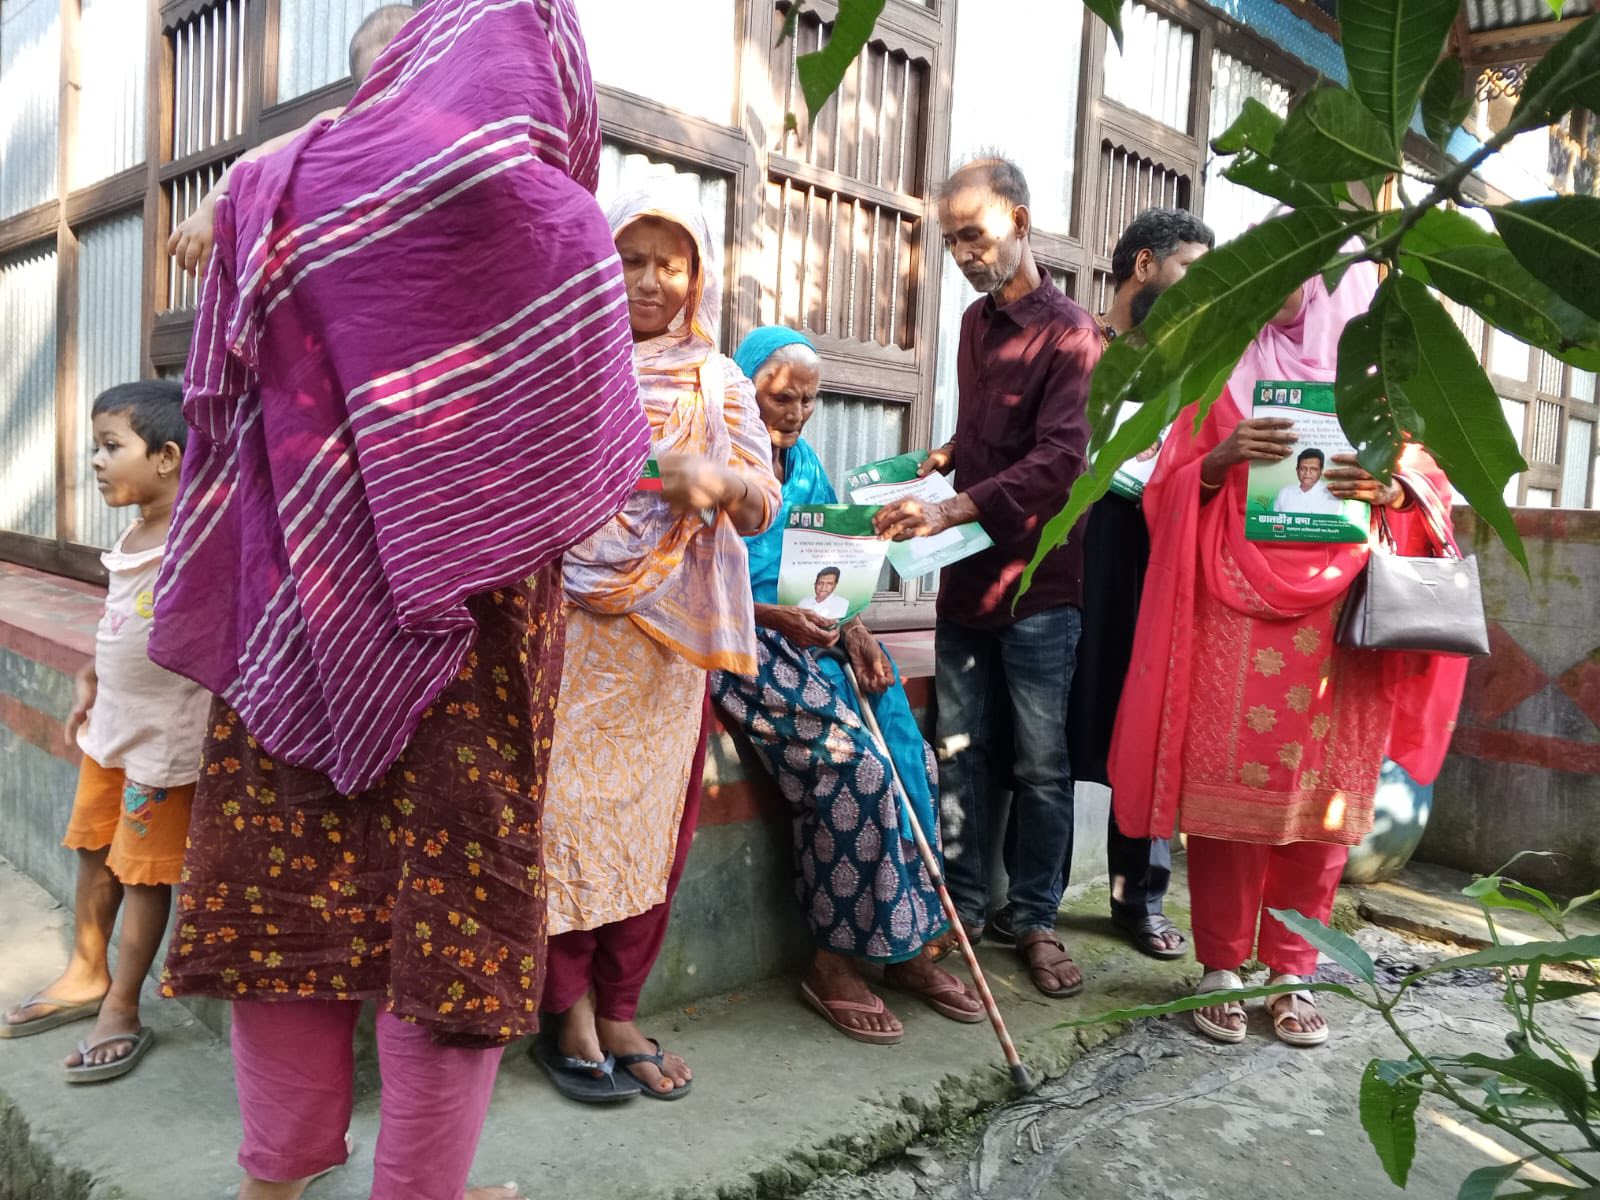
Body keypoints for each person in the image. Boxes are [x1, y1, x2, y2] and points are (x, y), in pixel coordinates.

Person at [150, 3, 650, 1197]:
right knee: (454, 907)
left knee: (285, 888)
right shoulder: (560, 224)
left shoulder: (273, 187)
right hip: (473, 632)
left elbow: (224, 392)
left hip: (293, 612)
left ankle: (275, 1177)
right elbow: (584, 465)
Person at [1108, 263, 1467, 1048]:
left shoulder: (1373, 380)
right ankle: (1221, 967)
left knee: (1323, 805)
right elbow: (1165, 488)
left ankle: (1293, 969)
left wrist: (1392, 489)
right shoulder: (1219, 371)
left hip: (1343, 622)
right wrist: (1221, 458)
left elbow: (1429, 481)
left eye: (1296, 270)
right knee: (1231, 799)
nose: (1270, 287)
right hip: (1233, 610)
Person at [535, 189, 781, 1102]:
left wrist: (718, 480)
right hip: (568, 627)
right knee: (565, 821)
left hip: (666, 642)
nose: (647, 281)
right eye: (629, 259)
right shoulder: (564, 364)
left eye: (667, 264)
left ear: (696, 276)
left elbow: (763, 505)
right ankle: (567, 1012)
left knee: (648, 829)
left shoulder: (720, 381)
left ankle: (621, 1007)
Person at [710, 326, 983, 1045]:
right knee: (856, 767)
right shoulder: (720, 461)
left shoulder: (803, 464)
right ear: (744, 389)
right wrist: (777, 617)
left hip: (813, 631)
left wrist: (856, 629)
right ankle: (833, 961)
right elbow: (689, 580)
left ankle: (906, 945)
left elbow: (832, 564)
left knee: (910, 753)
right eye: (781, 396)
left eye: (809, 399)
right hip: (741, 639)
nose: (797, 413)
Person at [874, 155, 1100, 1000]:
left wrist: (952, 507)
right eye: (952, 241)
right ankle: (964, 907)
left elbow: (1059, 459)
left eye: (974, 235)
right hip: (965, 579)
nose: (964, 254)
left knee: (1041, 764)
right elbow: (988, 429)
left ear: (1020, 223)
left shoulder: (1073, 334)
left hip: (1039, 582)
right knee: (959, 751)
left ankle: (1034, 917)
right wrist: (944, 456)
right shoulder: (973, 323)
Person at [0, 382, 209, 1083]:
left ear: (168, 457)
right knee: (93, 849)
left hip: (163, 744)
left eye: (111, 446)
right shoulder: (132, 533)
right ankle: (86, 972)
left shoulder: (194, 543)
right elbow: (124, 620)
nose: (96, 460)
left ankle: (122, 1005)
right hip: (110, 727)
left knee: (142, 873)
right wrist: (94, 670)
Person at [1064, 208, 1213, 961]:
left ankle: (1139, 896)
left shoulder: (1194, 367)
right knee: (1060, 719)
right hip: (1076, 553)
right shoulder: (1077, 346)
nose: (1202, 288)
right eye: (1191, 269)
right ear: (1145, 266)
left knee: (1149, 718)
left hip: (1158, 561)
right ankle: (1037, 898)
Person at [165, 4, 414, 277]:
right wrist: (207, 210)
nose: (393, 102)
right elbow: (258, 156)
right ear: (359, 93)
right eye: (380, 87)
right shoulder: (340, 120)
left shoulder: (443, 133)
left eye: (408, 81)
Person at [1271, 448, 1344, 515]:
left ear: (1321, 471)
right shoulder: (1285, 492)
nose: (1307, 473)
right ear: (1297, 470)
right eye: (1303, 468)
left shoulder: (1332, 494)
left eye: (1313, 469)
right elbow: (1276, 522)